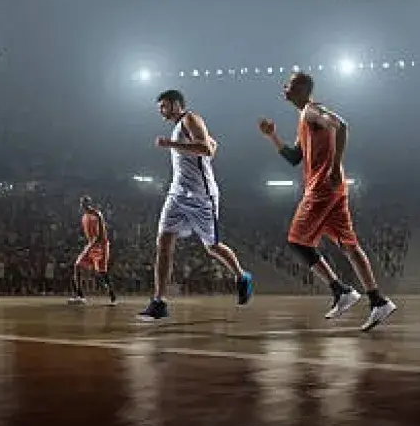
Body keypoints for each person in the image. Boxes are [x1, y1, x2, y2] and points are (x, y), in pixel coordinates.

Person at [258, 72, 397, 331]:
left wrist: (334, 167)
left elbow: (342, 126)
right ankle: (378, 300)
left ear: (300, 89)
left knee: (296, 242)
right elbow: (294, 157)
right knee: (350, 247)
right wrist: (272, 136)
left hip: (322, 188)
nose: (284, 87)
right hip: (333, 188)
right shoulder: (304, 118)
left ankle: (340, 290)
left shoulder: (313, 111)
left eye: (288, 84)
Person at [138, 89, 253, 321]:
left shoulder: (191, 118)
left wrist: (170, 144)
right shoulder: (181, 125)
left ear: (176, 104)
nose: (160, 111)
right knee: (163, 242)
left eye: (164, 106)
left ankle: (242, 276)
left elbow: (208, 149)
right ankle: (159, 302)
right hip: (177, 194)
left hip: (201, 196)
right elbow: (213, 144)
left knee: (212, 247)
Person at [69, 196, 117, 305]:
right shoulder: (84, 217)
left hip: (101, 246)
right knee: (77, 266)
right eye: (82, 203)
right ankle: (80, 296)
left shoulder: (96, 215)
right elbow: (89, 235)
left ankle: (112, 296)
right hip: (92, 245)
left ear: (89, 203)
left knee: (102, 272)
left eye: (85, 203)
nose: (83, 205)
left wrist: (90, 246)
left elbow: (98, 235)